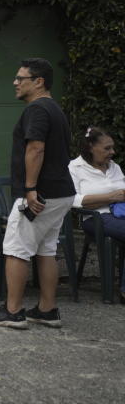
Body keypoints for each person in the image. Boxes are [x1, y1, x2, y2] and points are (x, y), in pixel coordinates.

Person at [0, 58, 76, 329]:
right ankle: (47, 309)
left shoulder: (37, 109)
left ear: (38, 82)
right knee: (46, 249)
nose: (15, 82)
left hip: (41, 194)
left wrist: (31, 188)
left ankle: (12, 312)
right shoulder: (55, 109)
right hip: (61, 192)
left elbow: (36, 148)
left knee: (16, 249)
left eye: (20, 78)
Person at [68, 126, 125, 303]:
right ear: (90, 147)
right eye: (107, 148)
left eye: (112, 147)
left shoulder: (114, 167)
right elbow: (72, 199)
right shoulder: (75, 167)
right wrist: (109, 197)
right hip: (95, 218)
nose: (112, 152)